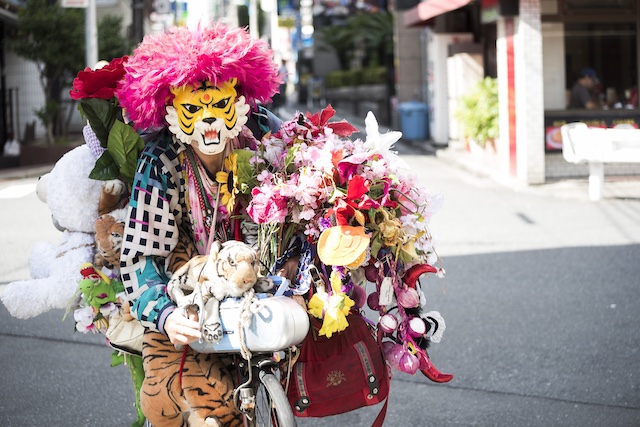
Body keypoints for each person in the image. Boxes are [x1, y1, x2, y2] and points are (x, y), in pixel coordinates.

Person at [117, 23, 283, 426]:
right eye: (194, 110)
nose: (209, 122)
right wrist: (164, 314)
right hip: (186, 292)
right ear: (172, 112)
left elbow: (297, 207)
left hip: (255, 280)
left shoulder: (263, 137)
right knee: (197, 403)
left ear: (240, 100)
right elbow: (141, 255)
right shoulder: (160, 161)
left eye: (219, 106)